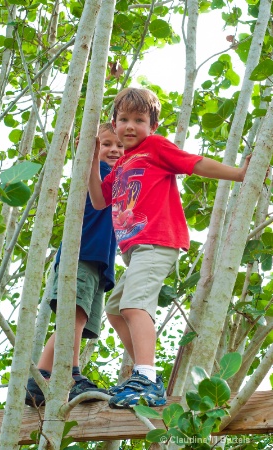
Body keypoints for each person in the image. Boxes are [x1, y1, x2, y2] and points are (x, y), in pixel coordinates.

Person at [88, 87, 251, 409]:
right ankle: (147, 375)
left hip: (157, 241)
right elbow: (99, 200)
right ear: (114, 123)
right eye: (123, 119)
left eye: (139, 120)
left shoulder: (155, 148)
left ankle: (145, 376)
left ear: (153, 127)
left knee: (134, 307)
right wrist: (92, 159)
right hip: (135, 250)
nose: (131, 126)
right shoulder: (120, 165)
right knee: (115, 309)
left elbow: (195, 163)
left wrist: (239, 175)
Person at [25, 123, 124, 407]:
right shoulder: (101, 173)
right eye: (106, 144)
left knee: (76, 321)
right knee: (74, 317)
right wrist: (88, 151)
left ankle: (40, 380)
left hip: (98, 262)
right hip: (80, 256)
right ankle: (70, 374)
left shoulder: (115, 175)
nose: (114, 150)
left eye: (120, 145)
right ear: (94, 148)